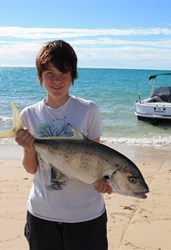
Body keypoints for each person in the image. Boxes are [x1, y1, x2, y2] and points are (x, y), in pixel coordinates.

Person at [15, 40, 112, 250]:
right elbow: (32, 168)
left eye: (64, 74)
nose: (56, 81)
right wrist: (27, 147)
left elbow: (96, 162)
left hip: (86, 216)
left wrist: (103, 182)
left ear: (73, 76)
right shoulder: (29, 114)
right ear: (40, 77)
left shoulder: (89, 110)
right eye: (49, 73)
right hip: (41, 215)